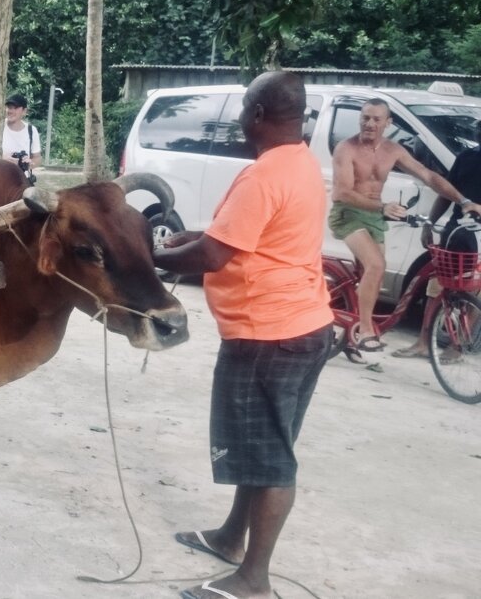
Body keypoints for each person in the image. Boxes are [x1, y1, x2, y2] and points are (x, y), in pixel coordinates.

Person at [153, 71, 334, 599]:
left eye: (244, 108)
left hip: (269, 335)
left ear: (256, 115)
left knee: (271, 457)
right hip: (303, 325)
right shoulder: (298, 163)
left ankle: (254, 580)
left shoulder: (263, 176)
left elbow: (213, 256)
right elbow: (240, 238)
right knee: (263, 445)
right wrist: (195, 237)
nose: (238, 118)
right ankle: (232, 537)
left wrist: (152, 258)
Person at [328, 99, 481, 352]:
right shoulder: (346, 148)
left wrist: (463, 201)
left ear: (388, 123)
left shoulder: (393, 150)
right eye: (365, 117)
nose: (369, 123)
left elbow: (429, 176)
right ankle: (366, 330)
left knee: (372, 276)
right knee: (377, 265)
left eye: (377, 119)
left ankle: (352, 332)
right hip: (348, 214)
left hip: (374, 217)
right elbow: (341, 193)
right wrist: (383, 207)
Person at [393, 119, 481, 359]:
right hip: (458, 232)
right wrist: (429, 224)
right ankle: (425, 342)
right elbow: (446, 192)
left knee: (472, 290)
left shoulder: (468, 156)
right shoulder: (467, 158)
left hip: (473, 235)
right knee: (439, 286)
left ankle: (457, 345)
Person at [0, 93, 41, 168]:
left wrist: (29, 163)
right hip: (0, 176)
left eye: (15, 108)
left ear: (24, 111)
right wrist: (2, 158)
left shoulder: (31, 130)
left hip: (22, 178)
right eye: (9, 107)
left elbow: (37, 157)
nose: (10, 111)